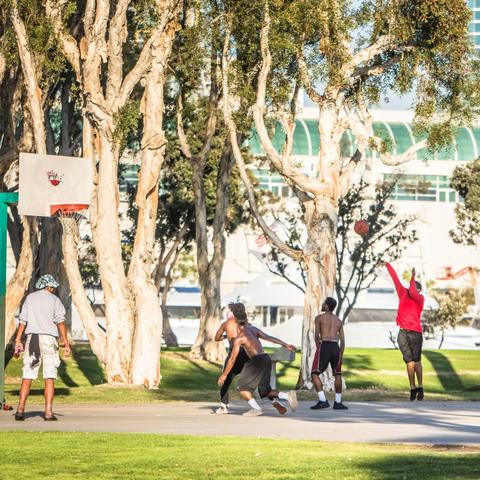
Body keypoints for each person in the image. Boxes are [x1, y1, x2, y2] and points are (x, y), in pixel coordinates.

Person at [218, 303, 297, 416]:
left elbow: (232, 359)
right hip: (265, 359)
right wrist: (286, 345)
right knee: (265, 391)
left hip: (256, 362)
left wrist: (224, 375)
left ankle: (255, 408)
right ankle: (287, 396)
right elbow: (269, 338)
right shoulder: (253, 329)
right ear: (246, 320)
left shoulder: (239, 338)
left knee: (242, 387)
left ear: (236, 320)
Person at [13, 275, 71, 421]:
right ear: (49, 287)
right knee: (49, 376)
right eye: (53, 287)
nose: (54, 289)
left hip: (32, 339)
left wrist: (18, 340)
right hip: (49, 339)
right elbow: (61, 322)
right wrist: (65, 342)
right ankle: (48, 413)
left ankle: (20, 410)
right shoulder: (55, 300)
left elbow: (22, 321)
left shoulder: (30, 298)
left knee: (28, 375)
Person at [384, 262, 425, 401]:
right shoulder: (403, 293)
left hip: (415, 333)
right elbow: (395, 279)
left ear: (418, 290)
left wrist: (413, 276)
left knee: (417, 361)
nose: (411, 289)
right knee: (409, 362)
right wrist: (387, 265)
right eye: (410, 286)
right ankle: (412, 388)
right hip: (403, 332)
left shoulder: (420, 298)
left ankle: (420, 387)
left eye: (414, 287)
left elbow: (413, 291)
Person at [310, 297, 348, 410]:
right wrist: (341, 355)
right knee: (338, 374)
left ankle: (322, 400)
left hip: (325, 346)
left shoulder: (319, 318)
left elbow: (316, 336)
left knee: (314, 373)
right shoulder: (338, 321)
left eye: (323, 303)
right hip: (336, 347)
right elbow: (343, 341)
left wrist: (319, 349)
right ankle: (338, 402)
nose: (322, 305)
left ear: (327, 306)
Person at [213, 304, 250, 414]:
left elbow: (216, 338)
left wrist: (226, 336)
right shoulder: (247, 324)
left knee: (226, 380)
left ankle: (224, 407)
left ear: (233, 312)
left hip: (233, 352)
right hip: (247, 354)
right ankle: (274, 398)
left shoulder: (226, 324)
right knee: (255, 378)